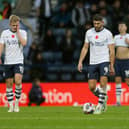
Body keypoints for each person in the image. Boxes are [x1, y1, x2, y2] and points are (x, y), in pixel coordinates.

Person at [77, 14, 115, 114]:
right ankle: (103, 97)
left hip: (104, 61)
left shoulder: (108, 34)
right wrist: (80, 61)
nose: (96, 25)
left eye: (98, 23)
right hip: (93, 62)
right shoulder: (89, 33)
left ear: (102, 22)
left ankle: (99, 107)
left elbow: (112, 51)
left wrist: (111, 65)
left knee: (103, 83)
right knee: (92, 87)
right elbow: (85, 48)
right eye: (94, 23)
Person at [0, 15, 27, 112]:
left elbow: (24, 43)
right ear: (10, 24)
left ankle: (16, 104)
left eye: (17, 25)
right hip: (8, 62)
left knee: (18, 81)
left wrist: (18, 32)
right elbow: (1, 45)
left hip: (18, 61)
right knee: (9, 84)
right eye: (14, 25)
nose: (16, 27)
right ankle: (10, 105)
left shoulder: (23, 32)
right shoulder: (4, 33)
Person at [114, 21, 129, 106]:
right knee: (117, 80)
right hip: (118, 61)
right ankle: (118, 101)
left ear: (126, 27)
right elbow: (112, 49)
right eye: (119, 26)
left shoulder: (128, 36)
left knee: (127, 81)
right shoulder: (116, 37)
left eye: (122, 26)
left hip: (126, 61)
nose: (120, 27)